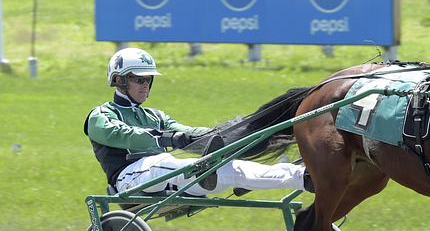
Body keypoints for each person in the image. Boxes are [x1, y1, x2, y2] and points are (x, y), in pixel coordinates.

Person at [84, 47, 313, 196]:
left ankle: (303, 177)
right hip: (129, 179)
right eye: (139, 79)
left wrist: (218, 136)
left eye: (149, 79)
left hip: (173, 178)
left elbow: (186, 131)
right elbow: (123, 134)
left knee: (233, 169)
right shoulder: (101, 115)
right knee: (165, 160)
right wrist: (168, 138)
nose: (145, 85)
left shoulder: (155, 116)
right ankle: (201, 169)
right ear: (119, 80)